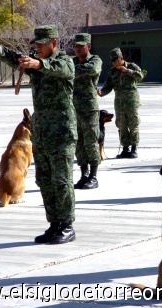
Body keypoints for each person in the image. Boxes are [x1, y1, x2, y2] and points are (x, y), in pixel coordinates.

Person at [0, 25, 77, 245]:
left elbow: (59, 69)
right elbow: (14, 57)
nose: (37, 48)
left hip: (61, 133)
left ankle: (67, 226)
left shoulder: (64, 62)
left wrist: (38, 63)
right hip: (41, 134)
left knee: (61, 181)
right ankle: (54, 224)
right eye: (35, 44)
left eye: (41, 44)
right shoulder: (34, 63)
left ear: (54, 43)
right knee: (44, 180)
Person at [97, 48, 143, 158]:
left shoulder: (131, 66)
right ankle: (125, 148)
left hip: (131, 100)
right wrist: (101, 92)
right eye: (112, 61)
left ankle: (134, 148)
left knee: (133, 124)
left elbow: (140, 76)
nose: (114, 63)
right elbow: (108, 86)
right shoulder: (112, 72)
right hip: (119, 102)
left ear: (121, 58)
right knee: (121, 125)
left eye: (115, 60)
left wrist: (127, 71)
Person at [72, 33, 103, 190]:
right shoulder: (72, 62)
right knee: (79, 143)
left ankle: (94, 176)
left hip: (89, 109)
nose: (77, 49)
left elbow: (90, 69)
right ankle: (84, 174)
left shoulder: (95, 60)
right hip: (74, 109)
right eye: (76, 46)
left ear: (88, 47)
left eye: (81, 46)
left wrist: (70, 69)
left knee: (91, 143)